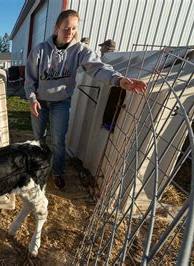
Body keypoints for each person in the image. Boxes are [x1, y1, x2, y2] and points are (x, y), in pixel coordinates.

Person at [24, 10, 146, 189]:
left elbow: (98, 68)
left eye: (74, 28)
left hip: (61, 102)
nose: (69, 33)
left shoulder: (79, 50)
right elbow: (30, 80)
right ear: (56, 28)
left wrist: (119, 80)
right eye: (66, 28)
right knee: (39, 138)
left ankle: (57, 172)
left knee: (58, 140)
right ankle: (39, 169)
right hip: (40, 101)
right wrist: (32, 98)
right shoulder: (40, 51)